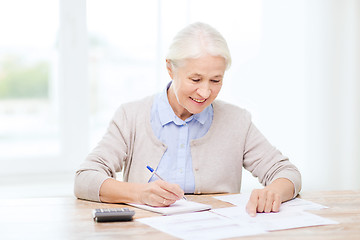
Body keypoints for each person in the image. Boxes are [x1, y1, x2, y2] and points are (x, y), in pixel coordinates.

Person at [74, 22, 301, 217]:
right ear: (170, 69)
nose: (204, 92)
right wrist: (139, 193)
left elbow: (287, 173)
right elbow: (85, 179)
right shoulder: (131, 116)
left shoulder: (237, 121)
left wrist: (273, 193)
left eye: (215, 80)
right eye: (195, 79)